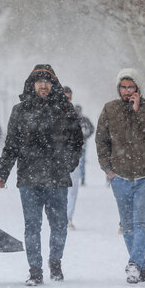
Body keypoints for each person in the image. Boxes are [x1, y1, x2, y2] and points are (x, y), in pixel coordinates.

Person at [0, 64, 83, 286]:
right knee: (32, 226)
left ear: (54, 85)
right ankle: (35, 269)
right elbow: (11, 145)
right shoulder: (20, 110)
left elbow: (76, 141)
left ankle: (55, 262)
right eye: (39, 81)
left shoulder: (65, 109)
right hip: (29, 178)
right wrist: (2, 173)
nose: (43, 85)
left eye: (47, 81)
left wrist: (68, 164)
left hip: (57, 177)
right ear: (32, 84)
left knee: (59, 224)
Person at [95, 68, 145, 284]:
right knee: (127, 225)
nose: (126, 91)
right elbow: (101, 140)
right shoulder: (110, 109)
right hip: (121, 177)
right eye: (123, 87)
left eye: (130, 87)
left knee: (142, 223)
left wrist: (138, 111)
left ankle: (133, 263)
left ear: (138, 88)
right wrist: (108, 169)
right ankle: (141, 267)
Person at [62, 86, 93, 230]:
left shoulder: (77, 117)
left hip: (74, 156)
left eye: (68, 98)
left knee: (72, 189)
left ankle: (67, 217)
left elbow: (85, 131)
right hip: (56, 158)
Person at [76, 105, 95, 186]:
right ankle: (80, 178)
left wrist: (86, 136)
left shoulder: (84, 119)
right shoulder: (72, 118)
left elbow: (92, 128)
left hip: (82, 143)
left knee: (81, 161)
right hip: (77, 143)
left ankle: (82, 179)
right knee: (80, 161)